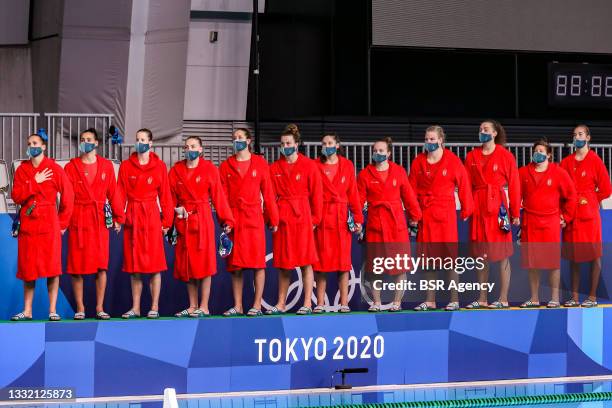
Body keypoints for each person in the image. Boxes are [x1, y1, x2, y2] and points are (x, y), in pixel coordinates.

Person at [409, 126, 473, 312]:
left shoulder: (453, 161)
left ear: (441, 140)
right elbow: (411, 189)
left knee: (450, 259)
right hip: (425, 215)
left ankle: (454, 299)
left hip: (445, 215)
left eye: (432, 139)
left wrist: (466, 208)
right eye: (427, 139)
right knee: (428, 259)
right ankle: (430, 300)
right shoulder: (418, 162)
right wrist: (413, 214)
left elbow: (464, 183)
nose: (429, 142)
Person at [11, 133, 74, 321]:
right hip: (28, 225)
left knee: (52, 268)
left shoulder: (55, 169)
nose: (32, 146)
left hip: (49, 223)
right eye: (29, 143)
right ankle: (27, 310)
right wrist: (34, 182)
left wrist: (62, 223)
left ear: (44, 146)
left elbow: (69, 196)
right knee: (28, 269)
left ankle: (53, 310)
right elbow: (16, 196)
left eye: (35, 143)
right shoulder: (22, 170)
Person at [169, 136, 234, 317]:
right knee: (187, 264)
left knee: (204, 264)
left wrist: (227, 220)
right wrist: (169, 220)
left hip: (203, 219)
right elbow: (169, 200)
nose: (189, 149)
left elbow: (219, 197)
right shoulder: (175, 171)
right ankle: (192, 305)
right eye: (187, 146)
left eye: (193, 146)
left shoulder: (210, 170)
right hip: (184, 221)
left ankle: (204, 306)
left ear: (201, 149)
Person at [64, 128, 124, 320]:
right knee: (76, 267)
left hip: (98, 220)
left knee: (101, 266)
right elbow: (66, 198)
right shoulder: (71, 167)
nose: (85, 142)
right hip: (78, 219)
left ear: (96, 143)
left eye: (89, 139)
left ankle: (99, 307)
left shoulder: (106, 166)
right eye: (82, 139)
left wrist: (118, 217)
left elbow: (114, 193)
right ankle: (80, 308)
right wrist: (63, 222)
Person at [357, 137, 422, 312]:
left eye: (381, 150)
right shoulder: (364, 174)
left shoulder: (399, 172)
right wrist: (356, 220)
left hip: (396, 225)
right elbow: (358, 200)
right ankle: (376, 302)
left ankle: (397, 302)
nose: (378, 153)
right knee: (376, 267)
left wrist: (415, 216)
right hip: (375, 225)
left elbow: (408, 196)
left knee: (399, 266)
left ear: (389, 153)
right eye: (375, 150)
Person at [219, 128, 278, 317]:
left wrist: (273, 218)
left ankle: (257, 305)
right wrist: (225, 219)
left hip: (254, 217)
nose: (237, 141)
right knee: (235, 266)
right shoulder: (226, 166)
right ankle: (238, 306)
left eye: (240, 138)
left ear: (249, 141)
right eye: (234, 138)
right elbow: (222, 197)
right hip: (234, 219)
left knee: (258, 264)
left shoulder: (260, 163)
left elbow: (268, 194)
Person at [117, 128, 173, 319]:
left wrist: (167, 221)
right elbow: (120, 194)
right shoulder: (126, 166)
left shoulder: (160, 167)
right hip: (132, 216)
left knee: (155, 265)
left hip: (151, 217)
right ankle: (136, 307)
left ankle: (154, 306)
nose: (139, 142)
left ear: (150, 144)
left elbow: (165, 195)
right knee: (135, 267)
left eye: (143, 139)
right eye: (137, 139)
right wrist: (119, 217)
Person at [464, 120, 520, 309]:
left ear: (495, 133)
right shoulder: (471, 155)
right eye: (480, 129)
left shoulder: (506, 156)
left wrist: (515, 212)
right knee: (481, 255)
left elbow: (514, 185)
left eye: (486, 129)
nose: (482, 132)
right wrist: (467, 208)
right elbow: (465, 186)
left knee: (502, 253)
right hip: (479, 207)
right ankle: (482, 298)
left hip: (499, 208)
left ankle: (503, 299)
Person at [268, 124, 323, 315]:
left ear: (297, 144)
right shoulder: (274, 168)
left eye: (289, 143)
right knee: (283, 263)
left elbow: (317, 195)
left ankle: (307, 302)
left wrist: (316, 219)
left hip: (303, 218)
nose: (285, 146)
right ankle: (281, 303)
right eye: (282, 143)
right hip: (283, 219)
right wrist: (273, 220)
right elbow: (269, 197)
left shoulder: (309, 166)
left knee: (306, 262)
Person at [519, 138, 576, 308]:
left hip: (551, 222)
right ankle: (534, 298)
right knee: (532, 262)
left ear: (549, 155)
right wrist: (515, 214)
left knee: (552, 262)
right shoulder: (522, 172)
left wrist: (565, 217)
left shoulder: (559, 173)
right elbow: (515, 196)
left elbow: (571, 196)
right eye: (536, 151)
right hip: (530, 221)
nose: (538, 154)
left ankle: (554, 298)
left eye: (542, 151)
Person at [560, 125, 612, 307]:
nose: (577, 137)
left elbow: (606, 189)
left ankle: (592, 297)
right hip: (571, 215)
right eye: (574, 135)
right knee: (573, 257)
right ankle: (574, 297)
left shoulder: (595, 161)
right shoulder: (565, 162)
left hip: (589, 216)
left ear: (588, 137)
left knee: (593, 255)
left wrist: (589, 200)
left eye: (580, 134)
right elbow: (561, 188)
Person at [313, 133, 363, 313]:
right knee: (321, 264)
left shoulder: (347, 165)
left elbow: (353, 194)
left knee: (343, 263)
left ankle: (344, 303)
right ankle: (319, 303)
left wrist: (358, 218)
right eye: (324, 143)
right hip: (322, 218)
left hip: (341, 218)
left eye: (330, 143)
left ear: (337, 145)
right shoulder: (315, 165)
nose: (327, 146)